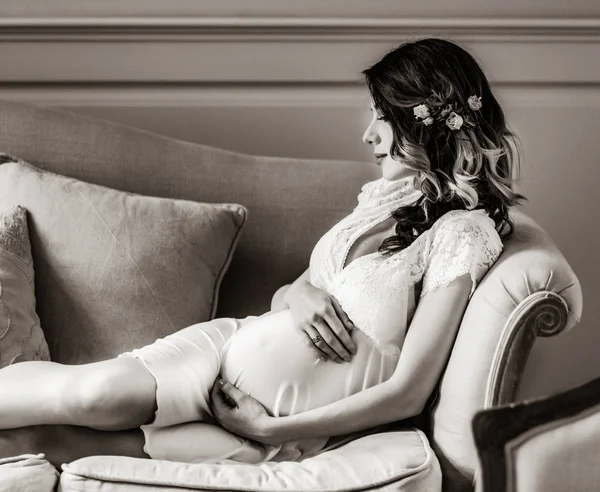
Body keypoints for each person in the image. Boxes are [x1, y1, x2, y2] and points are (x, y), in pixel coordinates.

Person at [0, 38, 525, 468]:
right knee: (90, 396)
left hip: (278, 431)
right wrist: (298, 295)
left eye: (381, 117)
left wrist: (270, 428)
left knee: (48, 445)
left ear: (423, 120)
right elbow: (289, 297)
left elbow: (410, 392)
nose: (368, 136)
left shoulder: (463, 234)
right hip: (218, 356)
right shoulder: (381, 201)